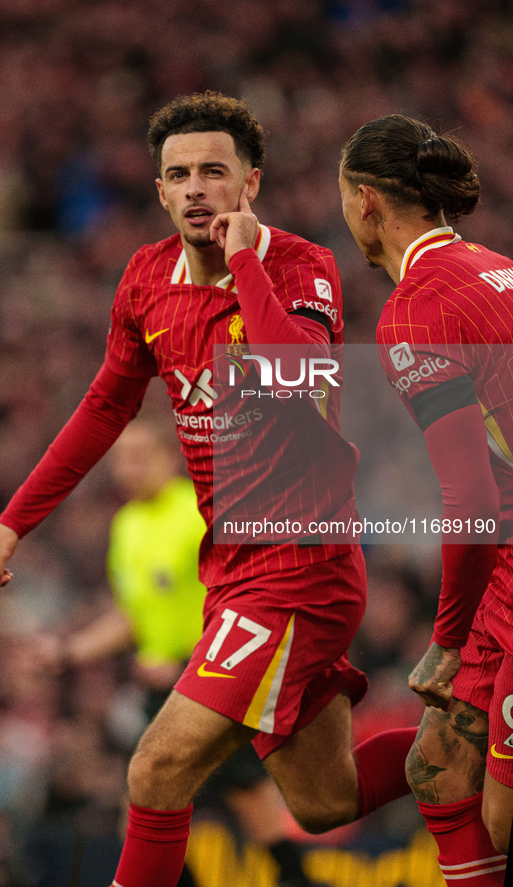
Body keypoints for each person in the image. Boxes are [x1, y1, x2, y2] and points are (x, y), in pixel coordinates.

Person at [0, 91, 415, 887]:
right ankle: (477, 740)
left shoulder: (299, 264)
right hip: (232, 569)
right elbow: (105, 404)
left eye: (215, 170)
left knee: (155, 769)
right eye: (180, 174)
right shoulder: (144, 278)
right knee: (321, 800)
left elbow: (297, 383)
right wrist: (13, 523)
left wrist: (244, 264)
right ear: (160, 191)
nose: (197, 187)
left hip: (299, 567)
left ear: (250, 184)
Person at [339, 114, 513, 884]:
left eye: (343, 197)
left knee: (506, 816)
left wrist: (444, 639)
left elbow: (469, 491)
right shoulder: (498, 267)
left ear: (366, 201)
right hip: (502, 567)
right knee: (439, 764)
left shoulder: (414, 311)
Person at [37, 418, 319, 887]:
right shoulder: (126, 526)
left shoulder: (198, 514)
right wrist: (70, 651)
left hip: (212, 678)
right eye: (122, 458)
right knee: (156, 798)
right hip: (161, 689)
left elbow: (248, 596)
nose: (129, 467)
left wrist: (197, 654)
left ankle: (295, 879)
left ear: (171, 457)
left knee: (225, 799)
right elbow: (134, 615)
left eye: (141, 455)